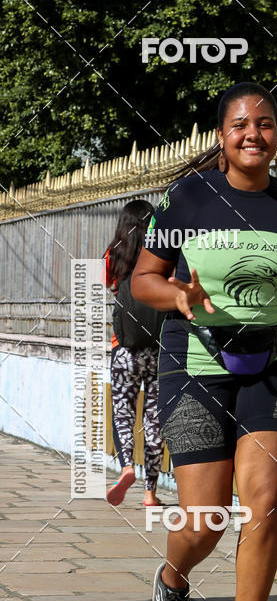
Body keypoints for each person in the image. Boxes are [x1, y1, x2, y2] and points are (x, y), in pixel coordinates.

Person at [131, 81, 277, 601]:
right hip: (193, 366)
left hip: (267, 367)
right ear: (223, 137)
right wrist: (178, 294)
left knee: (267, 505)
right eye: (241, 125)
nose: (254, 134)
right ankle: (173, 579)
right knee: (205, 521)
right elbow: (144, 279)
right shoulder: (186, 199)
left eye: (266, 124)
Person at [104, 200, 165, 508]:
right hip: (159, 349)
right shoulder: (163, 255)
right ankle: (150, 493)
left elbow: (111, 286)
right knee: (154, 419)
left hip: (124, 348)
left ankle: (127, 466)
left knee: (124, 412)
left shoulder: (112, 255)